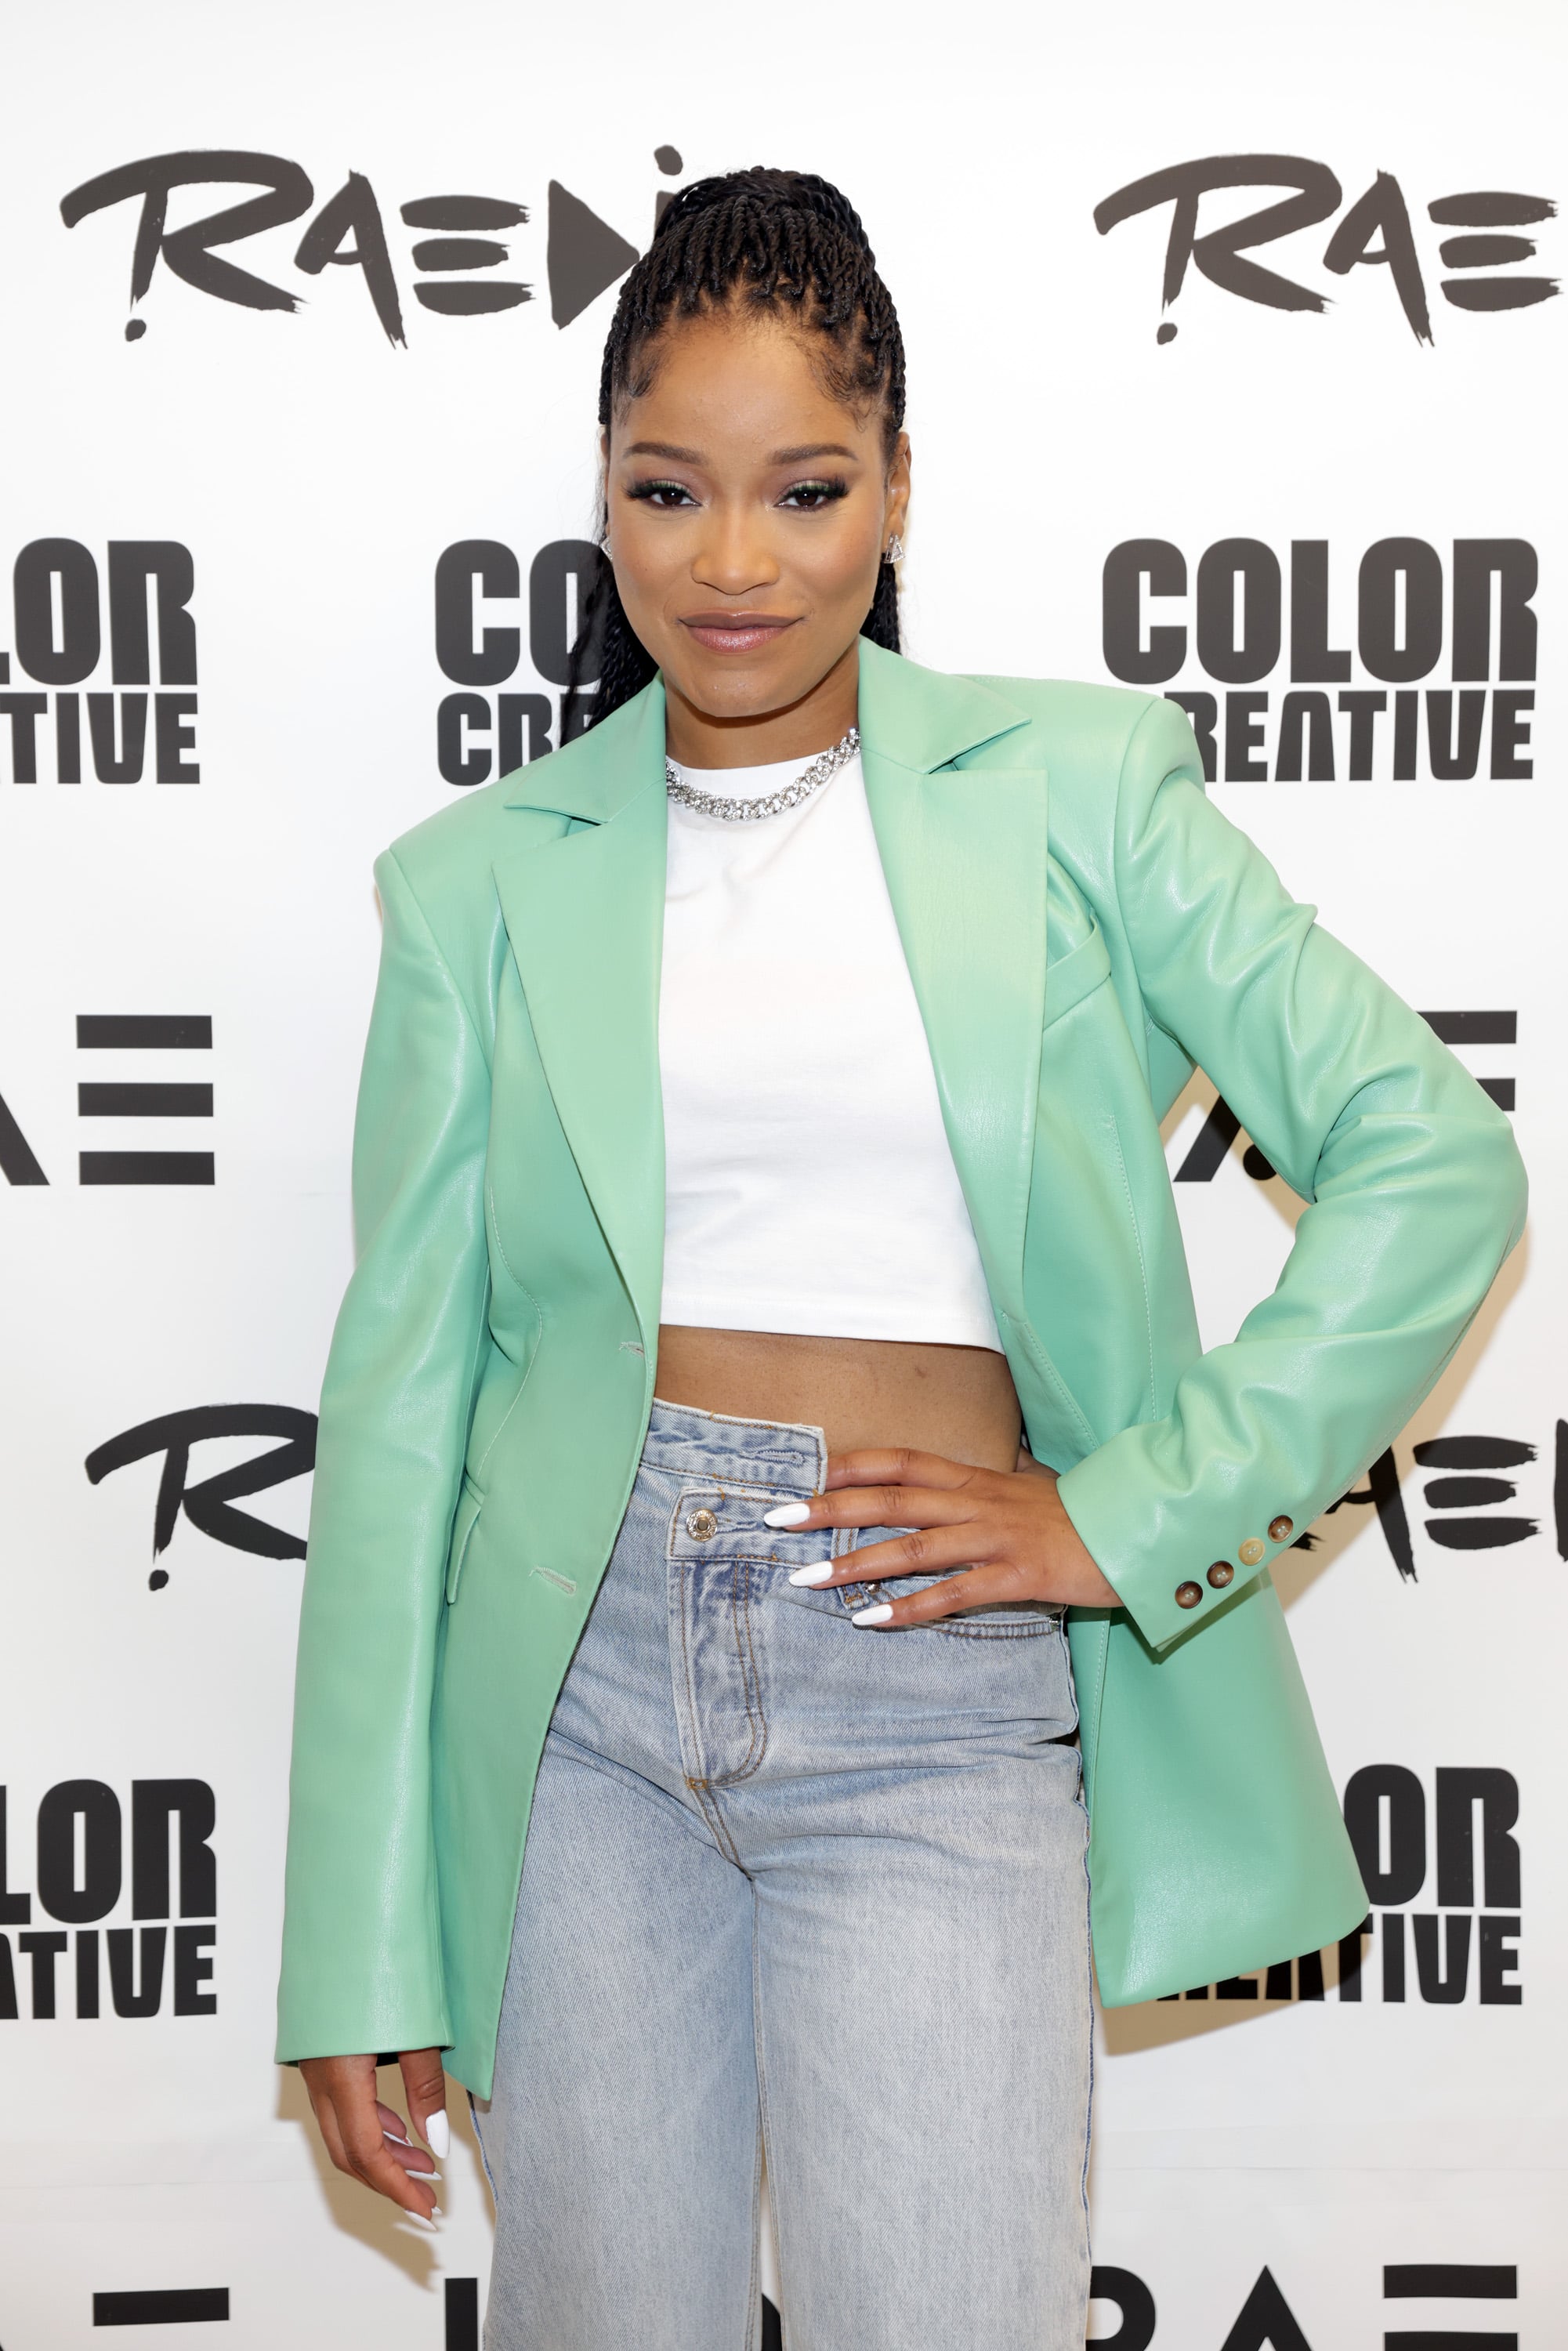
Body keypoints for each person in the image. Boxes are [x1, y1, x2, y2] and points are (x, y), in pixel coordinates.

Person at [276, 168, 1526, 2350]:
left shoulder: (1077, 789)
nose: (734, 561)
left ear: (897, 487)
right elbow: (402, 1420)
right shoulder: (473, 883)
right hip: (569, 1697)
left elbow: (1430, 1157)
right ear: (604, 494)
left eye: (805, 487)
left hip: (929, 1679)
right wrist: (357, 1942)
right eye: (670, 490)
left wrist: (1116, 1514)